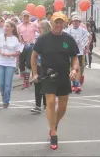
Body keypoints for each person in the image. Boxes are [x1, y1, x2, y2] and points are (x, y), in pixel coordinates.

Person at [31, 12, 79, 150]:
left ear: (64, 23)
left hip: (64, 76)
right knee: (51, 102)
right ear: (52, 23)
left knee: (62, 107)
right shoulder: (43, 39)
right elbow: (34, 56)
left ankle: (54, 124)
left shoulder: (68, 39)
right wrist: (35, 73)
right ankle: (54, 133)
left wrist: (74, 70)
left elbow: (74, 57)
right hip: (48, 75)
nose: (58, 25)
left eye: (61, 22)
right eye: (56, 22)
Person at [0, 21, 24, 108]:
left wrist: (9, 55)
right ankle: (4, 95)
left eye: (7, 26)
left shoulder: (15, 39)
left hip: (10, 64)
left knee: (7, 84)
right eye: (5, 26)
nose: (5, 28)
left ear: (12, 28)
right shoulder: (0, 37)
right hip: (0, 62)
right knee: (0, 84)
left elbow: (18, 52)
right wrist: (0, 52)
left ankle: (6, 100)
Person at [64, 15, 91, 92]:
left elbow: (89, 37)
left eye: (77, 21)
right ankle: (72, 83)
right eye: (74, 21)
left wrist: (87, 46)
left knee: (78, 68)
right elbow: (63, 41)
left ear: (79, 22)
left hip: (79, 52)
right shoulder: (68, 31)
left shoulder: (83, 30)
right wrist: (66, 47)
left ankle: (76, 84)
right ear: (72, 22)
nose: (76, 22)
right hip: (69, 53)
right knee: (70, 68)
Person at [30, 20, 51, 114]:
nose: (38, 30)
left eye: (40, 28)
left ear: (45, 28)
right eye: (37, 28)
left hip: (47, 65)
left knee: (46, 85)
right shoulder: (38, 38)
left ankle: (46, 104)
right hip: (38, 64)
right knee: (37, 84)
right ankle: (38, 106)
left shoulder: (50, 38)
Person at [17, 10, 38, 88]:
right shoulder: (19, 26)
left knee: (29, 63)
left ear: (29, 17)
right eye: (24, 16)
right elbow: (17, 35)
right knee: (21, 64)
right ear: (22, 17)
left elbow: (39, 31)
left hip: (31, 45)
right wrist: (20, 40)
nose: (26, 17)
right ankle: (23, 74)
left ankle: (26, 80)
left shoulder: (33, 25)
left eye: (27, 16)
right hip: (22, 46)